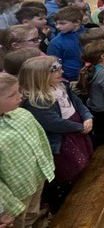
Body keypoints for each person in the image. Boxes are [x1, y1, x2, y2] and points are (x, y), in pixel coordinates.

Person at [19, 57, 93, 213]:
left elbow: (77, 102)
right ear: (40, 75)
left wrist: (87, 116)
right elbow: (53, 123)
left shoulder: (61, 86)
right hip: (64, 139)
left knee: (84, 166)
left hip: (76, 130)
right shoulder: (37, 100)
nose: (62, 71)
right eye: (57, 70)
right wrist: (79, 127)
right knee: (70, 173)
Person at [0, 72, 55, 228]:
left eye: (18, 90)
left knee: (32, 214)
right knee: (16, 226)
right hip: (13, 196)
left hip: (35, 179)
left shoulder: (23, 114)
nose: (21, 96)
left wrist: (47, 167)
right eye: (12, 94)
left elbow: (41, 141)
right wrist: (7, 206)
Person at [47, 7, 85, 83]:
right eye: (56, 23)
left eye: (62, 23)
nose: (57, 26)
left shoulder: (89, 35)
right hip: (70, 80)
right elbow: (53, 65)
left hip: (91, 75)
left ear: (77, 22)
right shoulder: (56, 43)